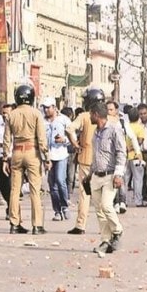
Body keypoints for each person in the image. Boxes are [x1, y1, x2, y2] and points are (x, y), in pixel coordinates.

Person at [3, 84, 49, 234]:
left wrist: (5, 158)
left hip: (16, 152)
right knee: (35, 189)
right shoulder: (36, 114)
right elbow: (42, 138)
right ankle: (37, 225)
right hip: (32, 152)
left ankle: (14, 223)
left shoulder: (11, 115)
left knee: (15, 190)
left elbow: (6, 139)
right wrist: (46, 157)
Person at [86, 102, 126, 255]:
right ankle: (105, 240)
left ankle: (117, 230)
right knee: (99, 210)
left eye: (91, 114)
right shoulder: (96, 132)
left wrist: (118, 174)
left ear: (96, 114)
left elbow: (121, 152)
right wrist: (90, 173)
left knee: (107, 205)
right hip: (97, 174)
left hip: (110, 174)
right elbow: (96, 155)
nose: (90, 117)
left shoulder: (114, 129)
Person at [65, 88, 103, 235]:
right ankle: (104, 226)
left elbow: (69, 129)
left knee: (84, 193)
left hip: (86, 159)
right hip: (102, 161)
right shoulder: (109, 117)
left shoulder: (84, 116)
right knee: (101, 195)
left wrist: (75, 144)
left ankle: (81, 225)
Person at [42, 97, 71, 221]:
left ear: (54, 107)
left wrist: (64, 140)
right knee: (52, 186)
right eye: (45, 108)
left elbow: (72, 137)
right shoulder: (42, 122)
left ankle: (65, 205)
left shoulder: (64, 120)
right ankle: (57, 211)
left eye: (48, 107)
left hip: (61, 154)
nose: (46, 110)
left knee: (60, 181)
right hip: (48, 156)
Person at [125, 108, 147, 207]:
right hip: (136, 156)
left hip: (125, 155)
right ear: (138, 117)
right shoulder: (140, 128)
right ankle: (138, 201)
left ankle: (123, 200)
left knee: (125, 179)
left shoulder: (125, 127)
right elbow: (140, 141)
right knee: (138, 179)